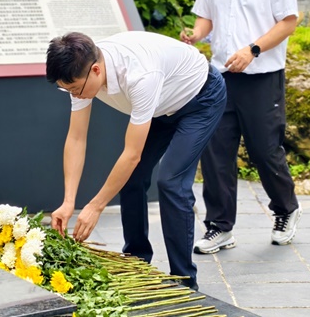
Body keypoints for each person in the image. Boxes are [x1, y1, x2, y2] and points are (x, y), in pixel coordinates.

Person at [46, 31, 226, 290]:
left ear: (96, 70)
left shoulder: (139, 74)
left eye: (75, 89)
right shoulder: (80, 70)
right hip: (161, 105)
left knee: (171, 182)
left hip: (200, 98)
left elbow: (132, 155)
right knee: (131, 180)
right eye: (67, 89)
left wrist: (95, 206)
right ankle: (137, 261)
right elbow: (76, 139)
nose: (74, 94)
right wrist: (68, 202)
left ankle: (184, 281)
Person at [181, 0, 301, 254]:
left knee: (265, 150)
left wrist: (253, 50)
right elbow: (206, 17)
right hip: (220, 77)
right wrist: (196, 35)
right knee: (215, 152)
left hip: (262, 78)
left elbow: (288, 22)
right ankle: (219, 227)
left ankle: (286, 209)